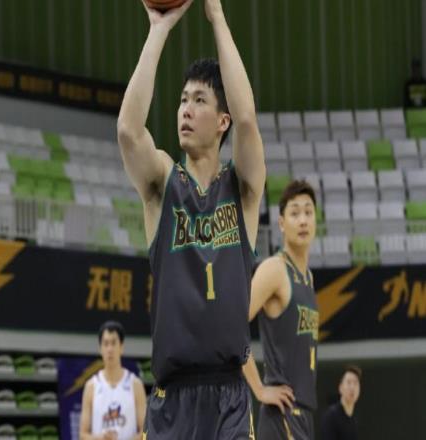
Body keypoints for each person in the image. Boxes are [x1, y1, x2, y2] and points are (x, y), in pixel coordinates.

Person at [116, 0, 265, 437]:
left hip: (229, 397)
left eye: (199, 100)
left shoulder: (241, 189)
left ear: (221, 121)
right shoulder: (163, 182)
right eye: (183, 100)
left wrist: (216, 16)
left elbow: (248, 121)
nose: (185, 108)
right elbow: (128, 131)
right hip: (172, 399)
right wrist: (158, 29)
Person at [243, 180, 319, 440]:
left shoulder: (308, 277)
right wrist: (259, 389)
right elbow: (231, 326)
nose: (303, 220)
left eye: (308, 212)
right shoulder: (274, 269)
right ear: (282, 223)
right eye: (295, 213)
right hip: (282, 415)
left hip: (303, 414)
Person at [79, 321, 147, 440]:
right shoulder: (91, 386)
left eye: (113, 343)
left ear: (121, 347)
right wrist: (101, 438)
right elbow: (82, 435)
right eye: (106, 344)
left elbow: (146, 432)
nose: (109, 349)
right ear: (100, 349)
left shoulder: (135, 385)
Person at [320, 365, 361, 440]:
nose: (352, 387)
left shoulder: (354, 420)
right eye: (349, 382)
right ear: (340, 387)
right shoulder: (331, 416)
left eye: (355, 383)